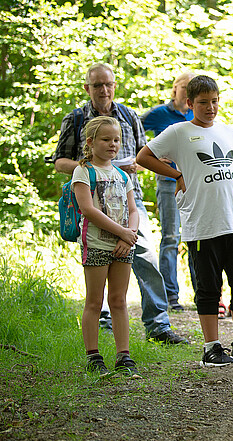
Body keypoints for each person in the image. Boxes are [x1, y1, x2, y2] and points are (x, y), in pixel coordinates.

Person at [136, 75, 233, 367]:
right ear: (189, 103)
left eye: (214, 101)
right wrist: (176, 175)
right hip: (201, 225)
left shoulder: (226, 131)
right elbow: (144, 156)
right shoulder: (178, 132)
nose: (210, 108)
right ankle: (212, 348)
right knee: (209, 287)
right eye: (203, 103)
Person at [52, 63, 189, 345]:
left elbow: (142, 155)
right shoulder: (75, 119)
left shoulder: (129, 116)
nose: (104, 90)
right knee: (100, 258)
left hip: (130, 197)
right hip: (91, 202)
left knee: (146, 255)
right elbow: (59, 162)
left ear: (115, 86)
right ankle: (101, 323)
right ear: (87, 88)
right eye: (97, 85)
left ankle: (158, 325)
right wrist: (91, 168)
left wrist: (127, 167)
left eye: (108, 84)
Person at [73, 116, 140, 377]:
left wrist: (128, 236)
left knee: (119, 300)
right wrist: (122, 232)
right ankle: (93, 355)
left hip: (124, 246)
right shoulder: (84, 171)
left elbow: (133, 210)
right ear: (91, 142)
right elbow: (87, 209)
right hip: (98, 244)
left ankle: (124, 355)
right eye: (106, 139)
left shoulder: (123, 175)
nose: (112, 144)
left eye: (116, 140)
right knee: (94, 300)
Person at [141, 71, 196, 312]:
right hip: (167, 182)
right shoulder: (158, 114)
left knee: (197, 236)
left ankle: (203, 293)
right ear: (175, 89)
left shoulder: (199, 112)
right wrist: (151, 152)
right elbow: (132, 130)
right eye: (185, 87)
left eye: (192, 88)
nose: (187, 92)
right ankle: (171, 295)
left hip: (195, 182)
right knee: (171, 238)